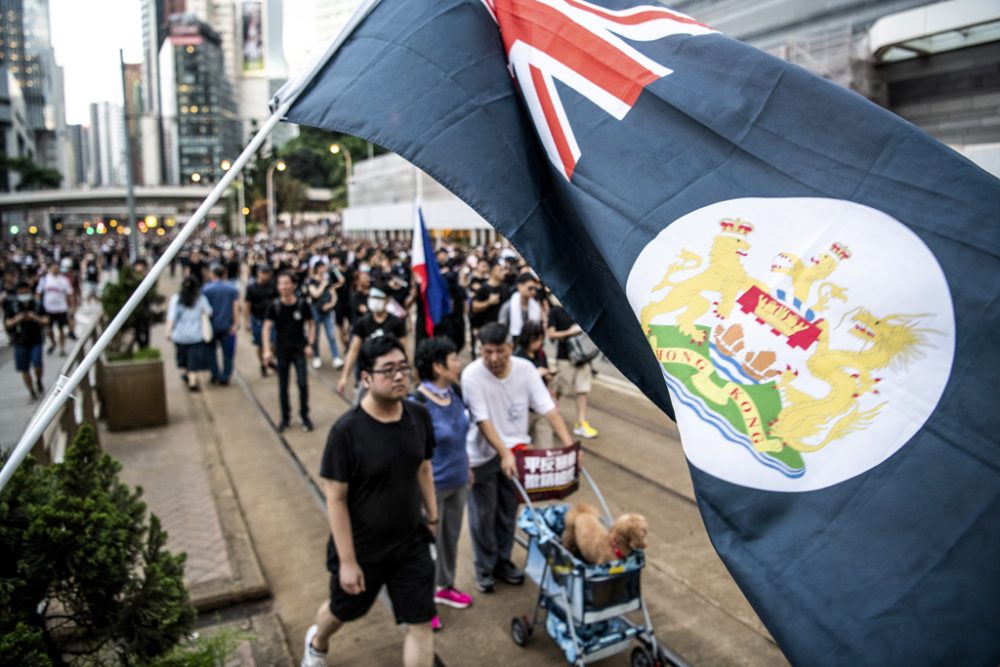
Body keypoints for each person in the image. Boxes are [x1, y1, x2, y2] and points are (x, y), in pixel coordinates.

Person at [302, 336, 438, 667]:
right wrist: (348, 562)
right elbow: (335, 499)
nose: (399, 376)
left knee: (420, 623)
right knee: (342, 610)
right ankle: (317, 643)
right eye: (387, 370)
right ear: (365, 378)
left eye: (403, 368)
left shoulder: (418, 416)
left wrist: (432, 516)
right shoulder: (346, 432)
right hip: (363, 549)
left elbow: (423, 466)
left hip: (410, 543)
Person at [461, 322, 575, 593]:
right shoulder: (471, 375)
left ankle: (503, 560)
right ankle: (484, 569)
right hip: (482, 455)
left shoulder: (525, 370)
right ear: (480, 350)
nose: (493, 359)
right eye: (487, 352)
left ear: (510, 348)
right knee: (483, 516)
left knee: (508, 513)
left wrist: (571, 447)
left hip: (516, 452)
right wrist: (503, 453)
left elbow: (548, 408)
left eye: (499, 351)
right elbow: (482, 419)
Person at [411, 337, 473, 630]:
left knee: (449, 539)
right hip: (432, 489)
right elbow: (413, 455)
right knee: (427, 548)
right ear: (437, 366)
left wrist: (468, 467)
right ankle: (424, 602)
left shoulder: (454, 392)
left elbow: (462, 436)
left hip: (459, 480)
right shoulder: (417, 403)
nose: (458, 364)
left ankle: (445, 586)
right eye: (453, 360)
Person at [262, 271, 315, 432]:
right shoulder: (274, 305)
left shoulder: (302, 303)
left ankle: (304, 416)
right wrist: (266, 350)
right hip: (282, 351)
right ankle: (285, 418)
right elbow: (266, 328)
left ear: (293, 285)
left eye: (286, 283)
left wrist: (310, 344)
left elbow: (312, 324)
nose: (284, 286)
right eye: (281, 283)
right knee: (282, 386)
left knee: (303, 384)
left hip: (299, 350)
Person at [336, 287, 407, 396]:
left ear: (387, 300)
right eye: (372, 297)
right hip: (369, 376)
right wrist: (344, 377)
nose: (375, 301)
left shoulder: (396, 323)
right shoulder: (363, 322)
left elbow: (403, 351)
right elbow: (353, 350)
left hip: (390, 376)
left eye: (379, 298)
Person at [547, 301, 599, 439]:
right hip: (565, 357)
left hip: (583, 358)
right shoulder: (556, 311)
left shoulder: (581, 309)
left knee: (583, 390)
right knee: (558, 390)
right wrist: (569, 332)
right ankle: (551, 419)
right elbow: (551, 334)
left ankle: (581, 422)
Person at [166, 277, 213, 392]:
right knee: (194, 359)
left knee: (184, 359)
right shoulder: (200, 298)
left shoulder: (176, 299)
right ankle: (193, 380)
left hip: (179, 336)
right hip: (195, 336)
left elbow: (171, 318)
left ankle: (188, 376)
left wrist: (168, 331)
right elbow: (209, 312)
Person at [514, 320, 555, 449]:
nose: (538, 343)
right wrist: (535, 374)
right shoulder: (517, 357)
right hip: (523, 410)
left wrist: (547, 375)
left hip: (540, 408)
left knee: (545, 445)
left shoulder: (541, 354)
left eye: (540, 339)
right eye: (536, 340)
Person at [4, 282, 48, 400]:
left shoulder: (37, 304)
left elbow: (46, 320)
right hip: (19, 342)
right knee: (24, 369)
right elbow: (7, 323)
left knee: (38, 364)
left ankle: (38, 380)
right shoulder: (12, 306)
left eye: (26, 292)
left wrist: (35, 317)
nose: (24, 295)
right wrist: (17, 319)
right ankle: (31, 391)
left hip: (36, 340)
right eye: (21, 293)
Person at [202, 265, 241, 386]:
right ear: (224, 275)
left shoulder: (206, 289)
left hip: (211, 326)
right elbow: (236, 307)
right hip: (228, 326)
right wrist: (236, 324)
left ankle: (215, 373)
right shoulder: (231, 289)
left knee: (210, 351)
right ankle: (225, 375)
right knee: (228, 353)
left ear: (212, 274)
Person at [307, 259, 345, 370]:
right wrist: (323, 284)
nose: (323, 270)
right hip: (316, 311)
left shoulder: (328, 280)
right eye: (321, 267)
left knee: (331, 335)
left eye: (324, 267)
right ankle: (317, 357)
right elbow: (315, 294)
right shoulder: (312, 282)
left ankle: (336, 358)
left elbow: (333, 294)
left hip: (328, 312)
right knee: (316, 335)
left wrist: (331, 304)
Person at [244, 265, 278, 376]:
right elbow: (247, 305)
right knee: (260, 345)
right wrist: (247, 321)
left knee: (273, 343)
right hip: (257, 319)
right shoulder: (251, 288)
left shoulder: (273, 286)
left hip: (271, 319)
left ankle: (269, 360)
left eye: (267, 273)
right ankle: (264, 364)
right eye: (263, 273)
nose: (265, 275)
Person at [36, 261, 74, 356]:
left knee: (61, 329)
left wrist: (72, 306)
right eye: (54, 268)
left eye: (57, 268)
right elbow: (38, 293)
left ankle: (62, 348)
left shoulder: (64, 280)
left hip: (61, 308)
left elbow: (70, 293)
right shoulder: (45, 279)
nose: (55, 269)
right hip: (48, 309)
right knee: (49, 329)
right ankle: (53, 343)